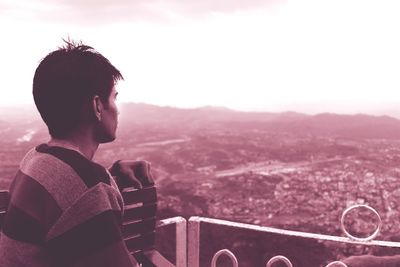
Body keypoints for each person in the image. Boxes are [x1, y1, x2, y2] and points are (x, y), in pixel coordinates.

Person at [0, 40, 161, 267]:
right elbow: (79, 193)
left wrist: (110, 174)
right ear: (97, 106)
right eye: (114, 97)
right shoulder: (87, 189)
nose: (116, 108)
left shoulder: (35, 159)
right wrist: (98, 181)